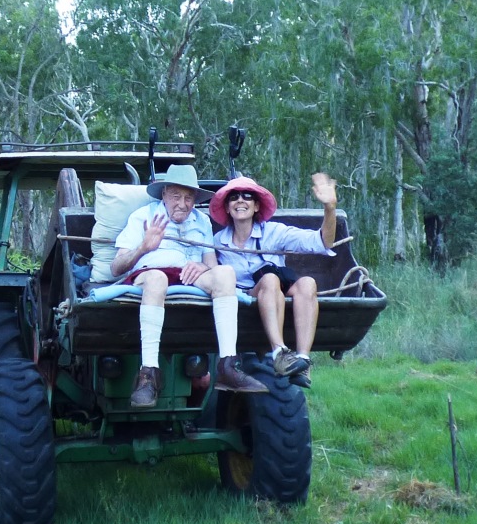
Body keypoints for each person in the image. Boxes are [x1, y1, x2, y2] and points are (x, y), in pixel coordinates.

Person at [111, 164, 269, 408]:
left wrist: (203, 268)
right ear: (163, 194)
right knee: (157, 278)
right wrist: (144, 247)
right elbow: (116, 267)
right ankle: (148, 375)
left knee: (225, 273)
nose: (182, 204)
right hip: (150, 274)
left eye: (188, 198)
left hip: (188, 275)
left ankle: (228, 365)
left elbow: (210, 263)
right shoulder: (142, 216)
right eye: (176, 196)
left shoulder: (201, 221)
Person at [209, 173, 338, 388]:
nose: (240, 200)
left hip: (276, 293)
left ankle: (303, 360)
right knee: (269, 279)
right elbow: (209, 271)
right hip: (246, 298)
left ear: (257, 206)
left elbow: (322, 242)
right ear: (227, 207)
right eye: (234, 197)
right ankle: (279, 353)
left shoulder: (275, 232)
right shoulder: (217, 242)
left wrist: (330, 208)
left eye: (247, 195)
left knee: (307, 283)